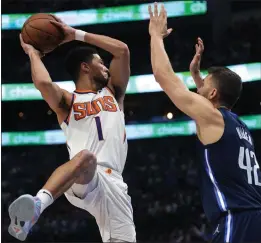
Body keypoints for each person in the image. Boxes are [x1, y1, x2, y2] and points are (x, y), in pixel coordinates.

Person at [8, 17, 136, 242]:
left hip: (115, 183)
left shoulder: (114, 92)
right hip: (83, 176)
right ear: (85, 67)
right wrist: (33, 54)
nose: (106, 67)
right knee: (87, 157)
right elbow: (44, 84)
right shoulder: (68, 101)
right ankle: (38, 205)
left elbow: (122, 50)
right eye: (100, 63)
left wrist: (75, 34)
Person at [148, 3, 261, 243]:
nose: (198, 88)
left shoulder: (212, 118)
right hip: (252, 217)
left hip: (236, 219)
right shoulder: (239, 126)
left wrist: (155, 36)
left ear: (212, 95)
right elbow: (208, 102)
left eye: (204, 85)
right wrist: (198, 76)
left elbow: (163, 76)